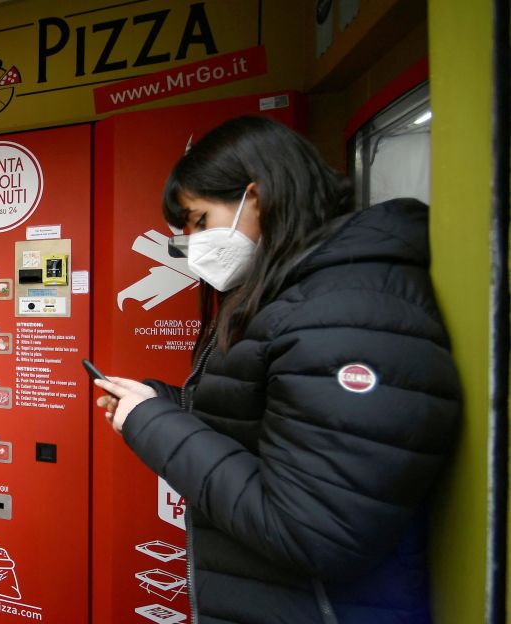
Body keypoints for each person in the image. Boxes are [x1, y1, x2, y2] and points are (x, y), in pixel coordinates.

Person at [95, 116, 460, 623]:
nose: (194, 245)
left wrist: (154, 424)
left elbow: (315, 530)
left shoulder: (347, 311)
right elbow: (271, 428)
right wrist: (162, 403)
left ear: (258, 196)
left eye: (199, 220)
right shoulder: (300, 295)